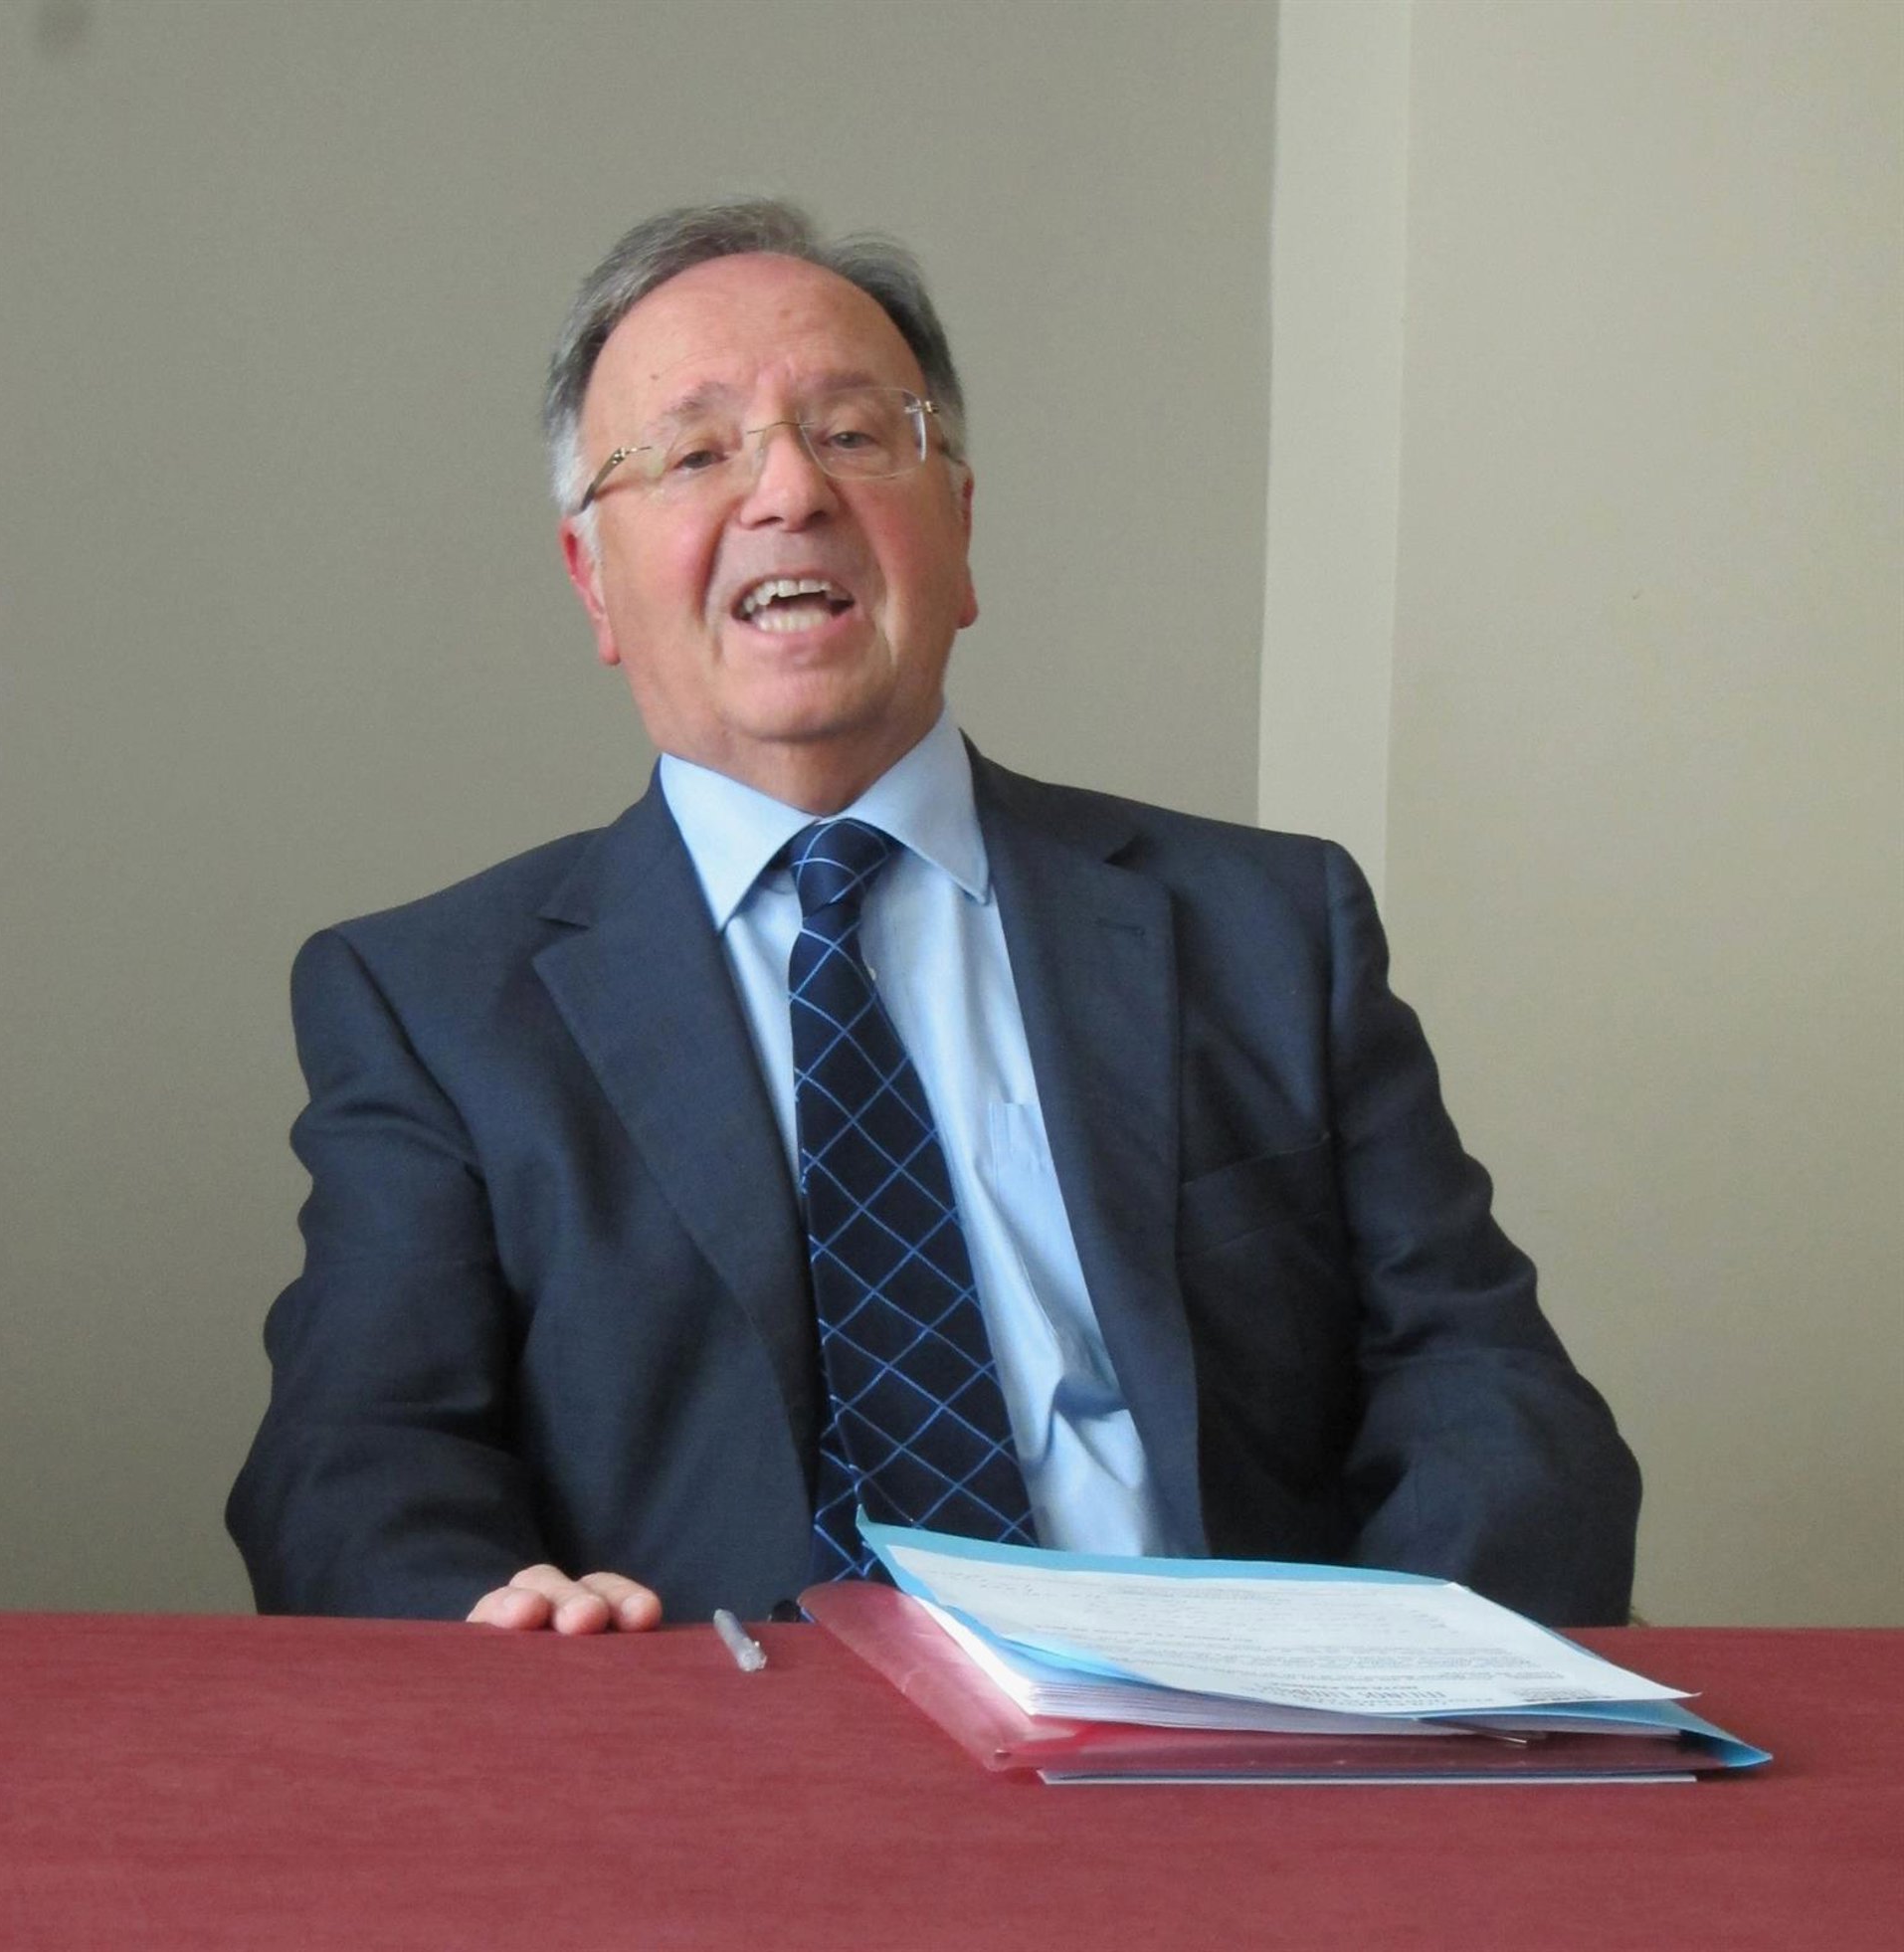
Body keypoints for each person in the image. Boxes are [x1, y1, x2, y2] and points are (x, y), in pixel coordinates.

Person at [227, 198, 1640, 1636]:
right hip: (716, 1740)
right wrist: (501, 1627)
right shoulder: (434, 1004)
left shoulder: (1269, 929)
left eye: (852, 433)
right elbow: (352, 1461)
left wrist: (1396, 1685)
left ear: (958, 532)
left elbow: (1486, 1388)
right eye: (697, 453)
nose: (789, 492)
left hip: (1228, 1730)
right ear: (594, 581)